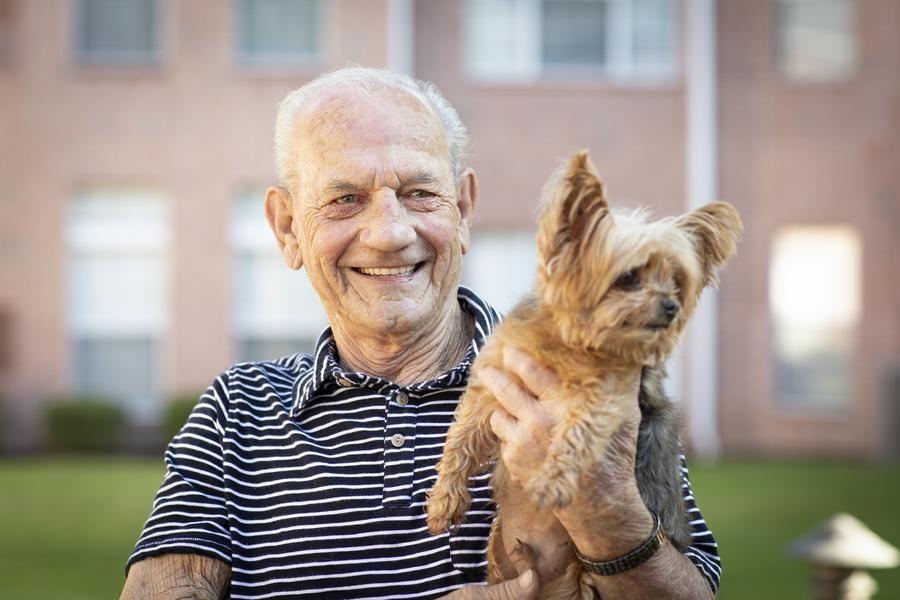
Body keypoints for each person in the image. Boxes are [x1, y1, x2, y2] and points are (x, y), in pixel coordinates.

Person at [120, 67, 721, 600]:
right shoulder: (236, 411)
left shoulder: (599, 372)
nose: (388, 232)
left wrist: (605, 505)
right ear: (287, 229)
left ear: (463, 209)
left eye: (420, 193)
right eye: (346, 198)